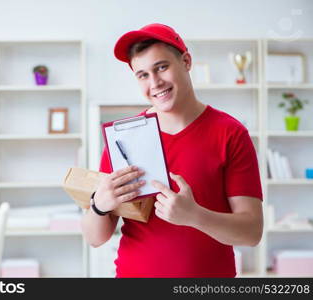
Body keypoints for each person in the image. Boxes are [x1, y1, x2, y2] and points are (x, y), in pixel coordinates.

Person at [81, 23, 263, 277]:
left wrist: (195, 216)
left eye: (161, 67)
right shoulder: (123, 138)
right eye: (142, 74)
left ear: (186, 61)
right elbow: (94, 238)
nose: (154, 82)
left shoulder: (230, 133)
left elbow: (252, 231)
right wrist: (99, 205)